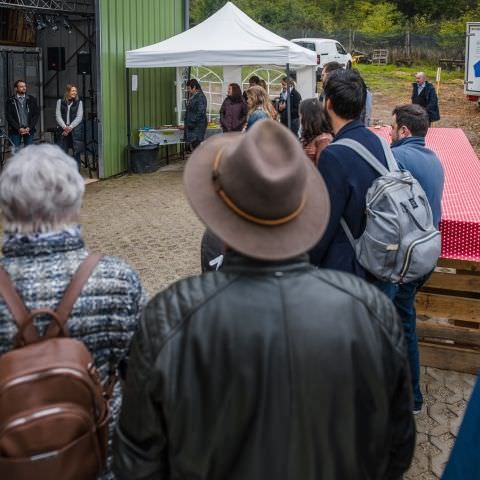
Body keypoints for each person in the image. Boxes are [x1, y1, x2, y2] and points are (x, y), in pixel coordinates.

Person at [113, 119, 415, 480]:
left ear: (219, 217)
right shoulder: (371, 313)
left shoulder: (169, 319)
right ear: (302, 209)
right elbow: (395, 450)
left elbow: (135, 460)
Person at [0, 144, 146, 479]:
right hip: (100, 459)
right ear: (77, 200)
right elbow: (144, 373)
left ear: (6, 207)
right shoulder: (117, 279)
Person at [310, 69, 391, 284]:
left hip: (347, 268)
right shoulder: (380, 142)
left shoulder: (334, 155)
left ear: (328, 103)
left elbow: (324, 224)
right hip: (378, 258)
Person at [390, 104, 445, 414]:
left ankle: (411, 398)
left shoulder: (397, 158)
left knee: (402, 323)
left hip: (407, 258)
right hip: (427, 253)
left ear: (404, 132)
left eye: (392, 127)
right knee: (402, 318)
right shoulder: (434, 158)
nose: (389, 132)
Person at [56, 84, 84, 171]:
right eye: (73, 91)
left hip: (75, 131)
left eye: (75, 91)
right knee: (62, 152)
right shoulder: (60, 102)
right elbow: (58, 116)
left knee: (76, 152)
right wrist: (65, 127)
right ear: (68, 92)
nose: (75, 92)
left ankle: (76, 173)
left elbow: (79, 117)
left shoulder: (79, 102)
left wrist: (70, 127)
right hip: (63, 130)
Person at [5, 80, 39, 151]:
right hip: (16, 130)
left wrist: (29, 127)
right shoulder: (10, 100)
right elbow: (8, 116)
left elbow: (36, 115)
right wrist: (18, 128)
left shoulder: (31, 99)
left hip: (29, 130)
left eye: (24, 86)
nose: (24, 88)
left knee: (28, 151)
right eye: (21, 86)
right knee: (16, 152)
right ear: (16, 89)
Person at [299, 98, 333, 165]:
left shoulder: (324, 139)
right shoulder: (311, 135)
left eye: (300, 115)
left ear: (307, 116)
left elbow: (323, 168)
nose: (300, 118)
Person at [185, 78, 207, 151]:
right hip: (192, 127)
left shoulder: (200, 97)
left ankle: (199, 162)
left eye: (189, 88)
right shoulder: (193, 96)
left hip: (197, 127)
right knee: (194, 147)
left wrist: (191, 121)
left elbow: (201, 112)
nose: (188, 90)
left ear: (194, 87)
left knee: (197, 148)